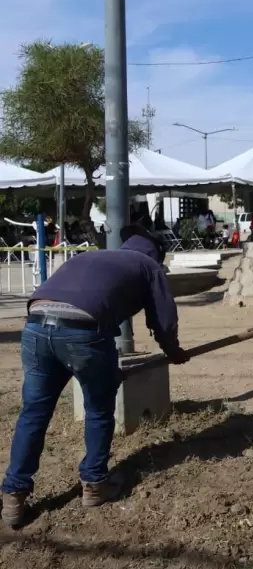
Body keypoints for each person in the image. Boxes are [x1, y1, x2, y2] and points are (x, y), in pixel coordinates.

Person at [0, 225, 190, 530]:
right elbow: (163, 319)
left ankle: (13, 493)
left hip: (35, 326)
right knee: (99, 409)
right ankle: (95, 483)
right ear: (156, 254)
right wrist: (173, 350)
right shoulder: (149, 267)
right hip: (83, 334)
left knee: (34, 413)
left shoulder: (91, 257)